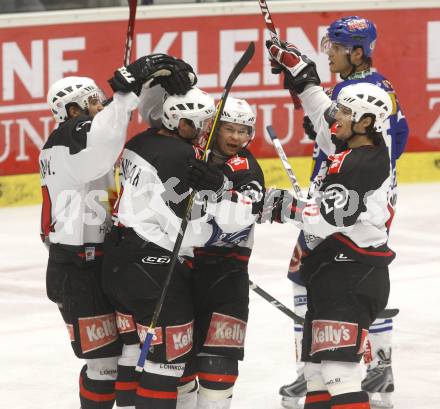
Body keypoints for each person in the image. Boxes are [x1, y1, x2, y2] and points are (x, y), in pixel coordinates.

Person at [39, 53, 195, 409]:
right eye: (92, 101)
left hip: (104, 260)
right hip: (76, 267)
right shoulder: (67, 136)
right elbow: (105, 142)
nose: (100, 104)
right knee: (104, 365)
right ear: (71, 111)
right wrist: (126, 89)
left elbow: (126, 118)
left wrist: (156, 82)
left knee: (128, 350)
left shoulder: (81, 131)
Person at [278, 16, 408, 409]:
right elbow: (383, 139)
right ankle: (377, 363)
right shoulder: (375, 85)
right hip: (364, 196)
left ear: (356, 51)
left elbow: (367, 142)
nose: (329, 54)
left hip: (345, 197)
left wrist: (305, 87)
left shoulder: (358, 91)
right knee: (349, 271)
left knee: (314, 275)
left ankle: (318, 366)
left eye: (334, 48)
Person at [176, 97, 265, 409]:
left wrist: (222, 188)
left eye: (244, 131)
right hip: (183, 274)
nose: (237, 138)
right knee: (180, 366)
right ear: (213, 127)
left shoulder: (246, 166)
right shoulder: (191, 157)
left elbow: (247, 211)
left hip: (227, 276)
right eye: (230, 128)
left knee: (218, 368)